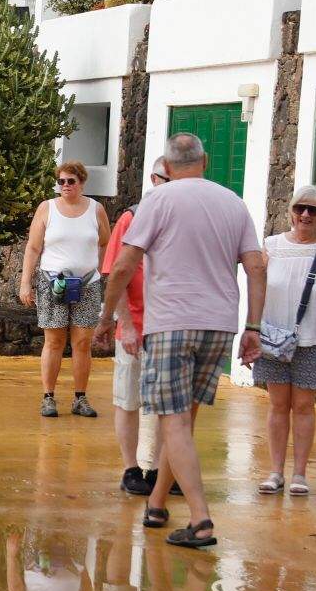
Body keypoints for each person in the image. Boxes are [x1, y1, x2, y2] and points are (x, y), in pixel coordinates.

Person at [95, 133, 265, 549]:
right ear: (205, 160)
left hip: (171, 323)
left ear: (166, 169)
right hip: (219, 324)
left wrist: (106, 318)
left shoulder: (158, 200)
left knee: (174, 423)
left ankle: (201, 519)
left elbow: (123, 265)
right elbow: (257, 267)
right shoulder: (233, 202)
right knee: (183, 424)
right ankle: (156, 503)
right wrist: (254, 327)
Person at [254, 185, 316, 497]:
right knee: (278, 404)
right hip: (274, 338)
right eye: (300, 208)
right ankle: (276, 471)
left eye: (313, 210)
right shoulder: (272, 246)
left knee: (304, 405)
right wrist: (251, 330)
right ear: (291, 211)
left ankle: (300, 473)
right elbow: (258, 289)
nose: (305, 215)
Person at [18, 160, 110, 418]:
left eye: (71, 181)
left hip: (87, 284)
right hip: (53, 283)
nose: (66, 186)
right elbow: (33, 247)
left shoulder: (96, 209)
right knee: (55, 340)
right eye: (62, 181)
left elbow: (105, 242)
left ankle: (80, 398)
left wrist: (99, 270)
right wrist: (26, 282)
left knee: (82, 342)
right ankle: (48, 397)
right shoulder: (47, 209)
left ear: (82, 183)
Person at [104, 163, 167, 495]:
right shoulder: (131, 218)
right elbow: (116, 274)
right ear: (154, 179)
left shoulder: (183, 220)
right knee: (128, 400)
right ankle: (130, 468)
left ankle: (157, 470)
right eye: (165, 179)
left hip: (170, 329)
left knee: (163, 404)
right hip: (136, 327)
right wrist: (125, 325)